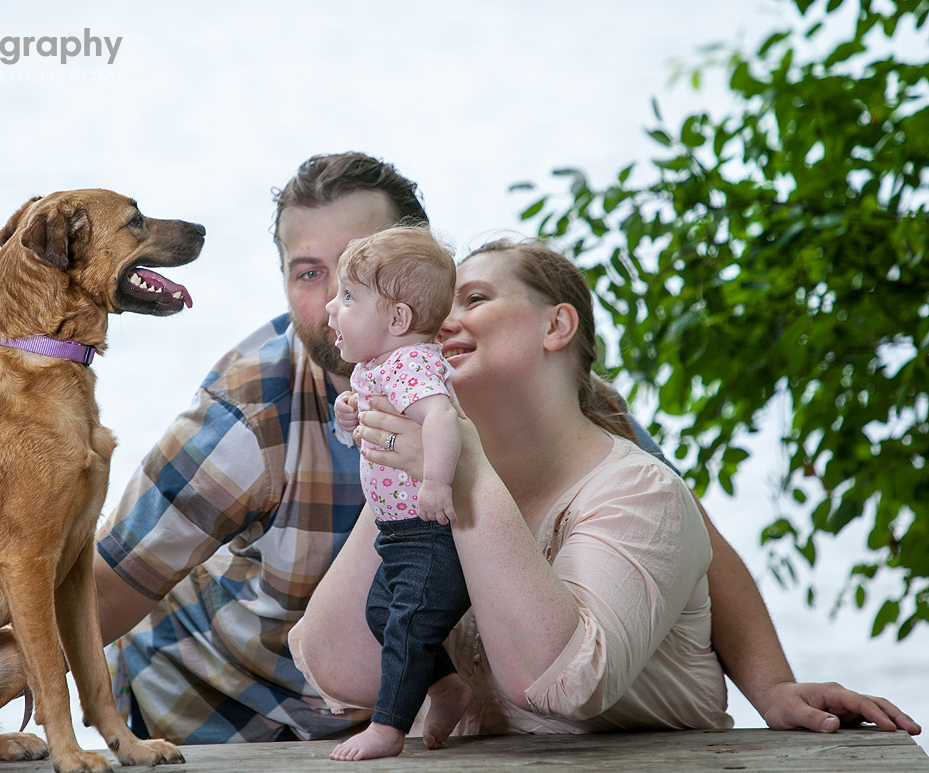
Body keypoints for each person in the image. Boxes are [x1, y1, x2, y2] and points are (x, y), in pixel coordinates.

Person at [90, 151, 920, 744]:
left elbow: (687, 535)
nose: (337, 300)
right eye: (311, 274)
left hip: (402, 724)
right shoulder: (257, 403)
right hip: (203, 715)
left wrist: (770, 684)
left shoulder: (539, 408)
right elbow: (111, 583)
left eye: (363, 266)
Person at [290, 239, 735, 742]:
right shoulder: (432, 464)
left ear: (556, 326)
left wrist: (459, 467)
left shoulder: (642, 493)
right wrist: (408, 456)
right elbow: (343, 668)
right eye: (435, 307)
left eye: (474, 299)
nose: (436, 324)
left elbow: (558, 684)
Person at [323, 226, 468, 760]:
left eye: (348, 297)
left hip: (427, 532)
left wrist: (436, 483)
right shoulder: (374, 370)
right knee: (384, 615)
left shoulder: (412, 364)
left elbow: (442, 421)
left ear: (398, 319)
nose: (332, 309)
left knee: (406, 624)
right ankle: (447, 687)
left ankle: (388, 729)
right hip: (398, 534)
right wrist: (347, 416)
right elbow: (368, 437)